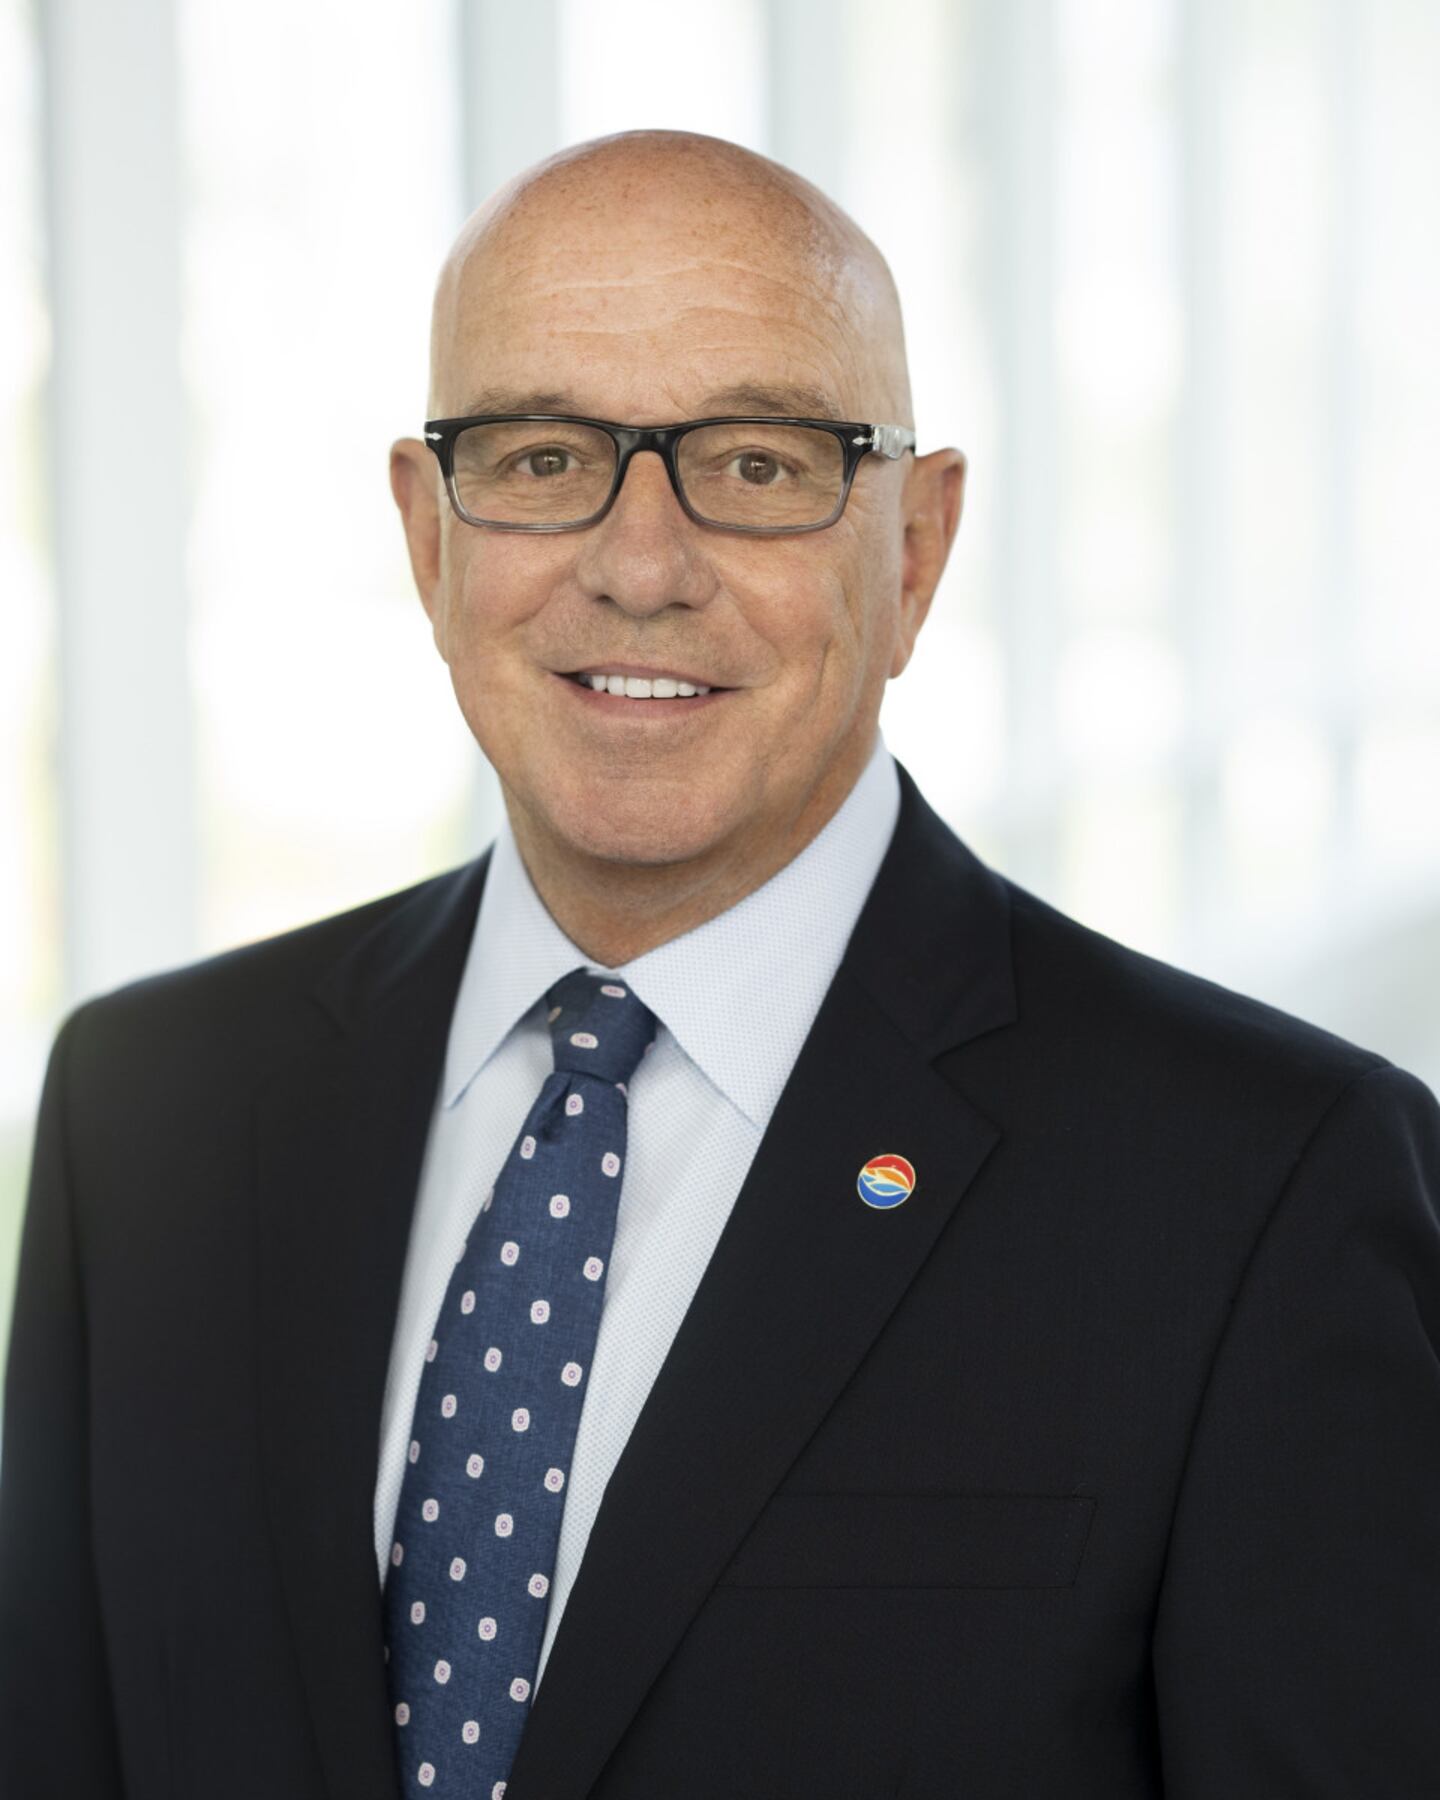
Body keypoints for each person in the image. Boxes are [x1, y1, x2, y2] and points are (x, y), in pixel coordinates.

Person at [2, 127, 1437, 1800]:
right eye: (544, 456)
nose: (639, 566)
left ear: (913, 550)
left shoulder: (1263, 1191)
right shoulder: (146, 1113)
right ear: (429, 541)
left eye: (758, 465)